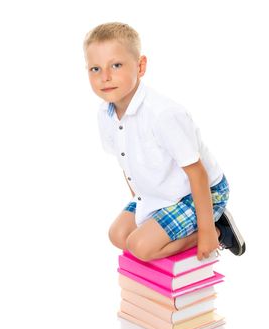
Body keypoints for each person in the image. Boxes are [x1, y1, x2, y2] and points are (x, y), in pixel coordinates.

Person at [83, 22, 246, 261]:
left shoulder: (163, 115)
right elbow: (126, 163)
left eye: (116, 65)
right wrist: (145, 210)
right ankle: (170, 229)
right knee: (119, 236)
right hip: (159, 192)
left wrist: (207, 232)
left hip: (199, 192)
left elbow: (197, 174)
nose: (105, 77)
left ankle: (220, 228)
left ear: (140, 66)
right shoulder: (105, 114)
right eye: (95, 69)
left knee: (140, 247)